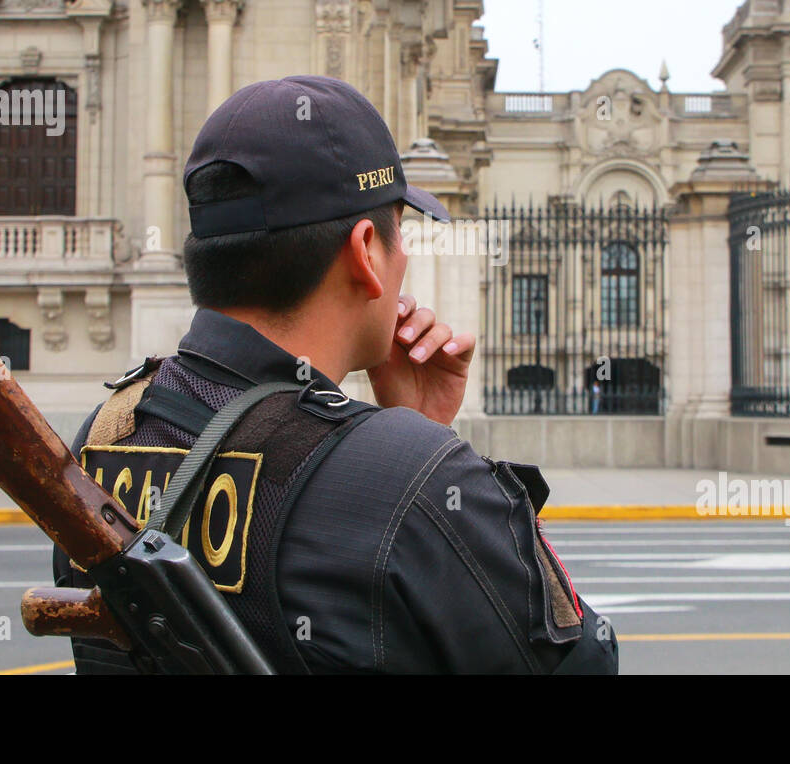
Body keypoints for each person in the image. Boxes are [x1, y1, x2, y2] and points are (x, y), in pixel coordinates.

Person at [52, 75, 618, 674]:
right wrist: (427, 450)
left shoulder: (108, 431)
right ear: (367, 250)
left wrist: (411, 434)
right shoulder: (410, 479)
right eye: (402, 232)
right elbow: (582, 661)